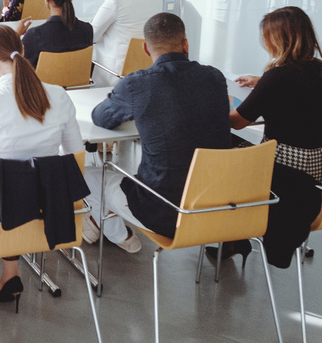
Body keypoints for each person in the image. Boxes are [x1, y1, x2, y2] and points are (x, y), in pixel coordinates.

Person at [83, 13, 230, 253]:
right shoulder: (215, 77)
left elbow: (101, 118)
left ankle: (115, 231)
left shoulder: (137, 84)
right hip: (216, 207)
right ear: (185, 44)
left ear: (145, 49)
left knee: (88, 173)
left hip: (163, 212)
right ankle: (111, 226)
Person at [0, 26, 84, 303]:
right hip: (49, 214)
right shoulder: (59, 96)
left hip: (2, 218)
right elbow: (75, 158)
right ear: (23, 52)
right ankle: (10, 273)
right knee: (19, 182)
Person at [230, 7, 322, 185]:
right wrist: (261, 82)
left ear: (277, 41)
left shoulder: (276, 78)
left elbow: (238, 122)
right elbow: (300, 88)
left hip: (285, 168)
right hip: (320, 166)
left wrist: (209, 104)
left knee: (225, 142)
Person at [22, 0, 93, 68]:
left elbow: (20, 69)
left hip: (43, 84)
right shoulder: (87, 30)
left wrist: (15, 36)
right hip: (78, 83)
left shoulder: (34, 35)